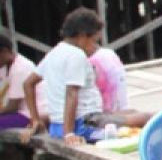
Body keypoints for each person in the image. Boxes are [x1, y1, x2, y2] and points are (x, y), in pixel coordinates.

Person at [22, 8, 106, 145]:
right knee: (141, 120)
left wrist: (35, 119)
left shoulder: (54, 53)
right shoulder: (76, 55)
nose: (95, 46)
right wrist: (69, 133)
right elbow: (71, 93)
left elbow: (28, 84)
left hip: (57, 127)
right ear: (83, 36)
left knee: (128, 115)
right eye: (94, 40)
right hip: (84, 125)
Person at [0, 33, 48, 130]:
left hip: (34, 113)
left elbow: (13, 107)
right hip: (22, 112)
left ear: (4, 52)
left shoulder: (20, 68)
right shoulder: (6, 66)